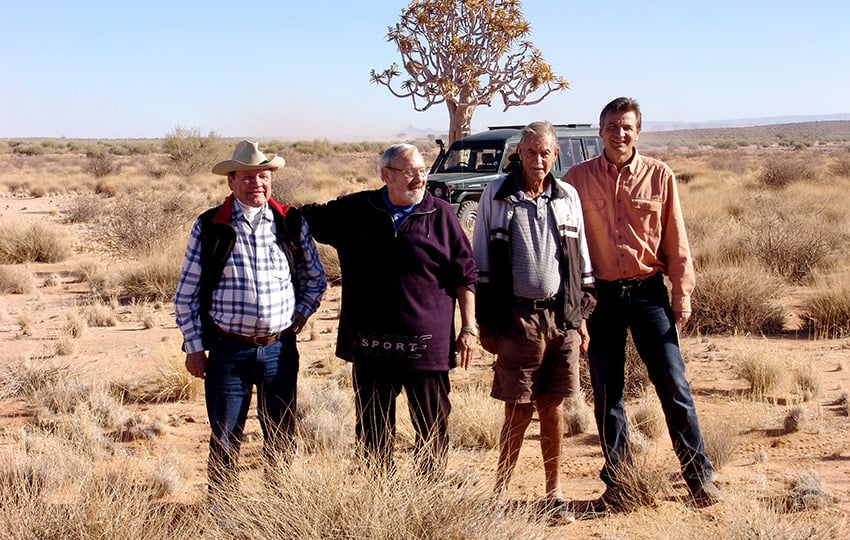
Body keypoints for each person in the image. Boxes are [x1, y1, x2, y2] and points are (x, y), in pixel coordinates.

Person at [563, 97, 722, 509]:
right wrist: (574, 305)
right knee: (606, 392)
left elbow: (676, 238)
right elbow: (567, 246)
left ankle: (699, 477)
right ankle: (619, 483)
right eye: (612, 126)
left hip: (649, 292)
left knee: (674, 386)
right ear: (600, 131)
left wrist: (681, 293)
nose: (619, 134)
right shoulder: (577, 179)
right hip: (601, 297)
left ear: (638, 132)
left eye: (627, 127)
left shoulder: (659, 175)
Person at [300, 143, 477, 477]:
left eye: (423, 170)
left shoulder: (440, 214)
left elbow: (465, 274)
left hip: (426, 347)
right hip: (371, 345)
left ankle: (429, 496)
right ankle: (378, 499)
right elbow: (305, 219)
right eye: (410, 171)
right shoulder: (357, 209)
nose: (419, 179)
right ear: (386, 175)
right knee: (373, 431)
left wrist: (468, 329)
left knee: (432, 430)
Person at [174, 140, 327, 493]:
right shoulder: (211, 226)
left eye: (262, 176)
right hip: (229, 351)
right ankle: (223, 511)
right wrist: (194, 347)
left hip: (279, 350)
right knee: (226, 435)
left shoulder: (290, 222)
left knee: (281, 432)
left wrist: (301, 313)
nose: (255, 183)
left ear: (271, 179)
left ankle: (278, 505)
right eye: (246, 176)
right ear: (231, 181)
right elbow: (186, 294)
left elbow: (315, 278)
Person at [473, 121, 596, 524]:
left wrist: (580, 317)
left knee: (553, 406)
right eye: (530, 152)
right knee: (517, 408)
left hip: (560, 317)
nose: (538, 160)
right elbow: (482, 261)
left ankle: (554, 491)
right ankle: (499, 492)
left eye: (545, 153)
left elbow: (580, 260)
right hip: (516, 318)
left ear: (555, 155)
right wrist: (486, 322)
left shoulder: (567, 197)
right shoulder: (497, 193)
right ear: (519, 154)